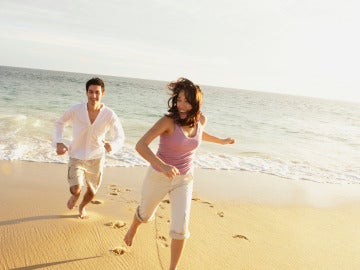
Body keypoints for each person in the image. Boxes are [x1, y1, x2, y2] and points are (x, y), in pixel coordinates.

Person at [123, 78, 235, 270]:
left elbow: (201, 134)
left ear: (196, 103)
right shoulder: (167, 122)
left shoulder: (200, 120)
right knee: (145, 213)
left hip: (184, 179)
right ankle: (133, 228)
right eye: (179, 100)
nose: (182, 105)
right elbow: (140, 145)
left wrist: (222, 141)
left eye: (187, 101)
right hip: (159, 176)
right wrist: (163, 165)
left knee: (180, 227)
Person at [53, 77, 125, 219]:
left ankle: (82, 207)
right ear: (86, 93)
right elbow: (59, 123)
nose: (93, 96)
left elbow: (120, 136)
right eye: (90, 92)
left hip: (96, 157)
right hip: (76, 155)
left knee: (92, 192)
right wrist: (58, 142)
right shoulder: (76, 110)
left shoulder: (109, 114)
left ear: (103, 93)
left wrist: (112, 145)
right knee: (76, 188)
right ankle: (75, 195)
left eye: (97, 92)